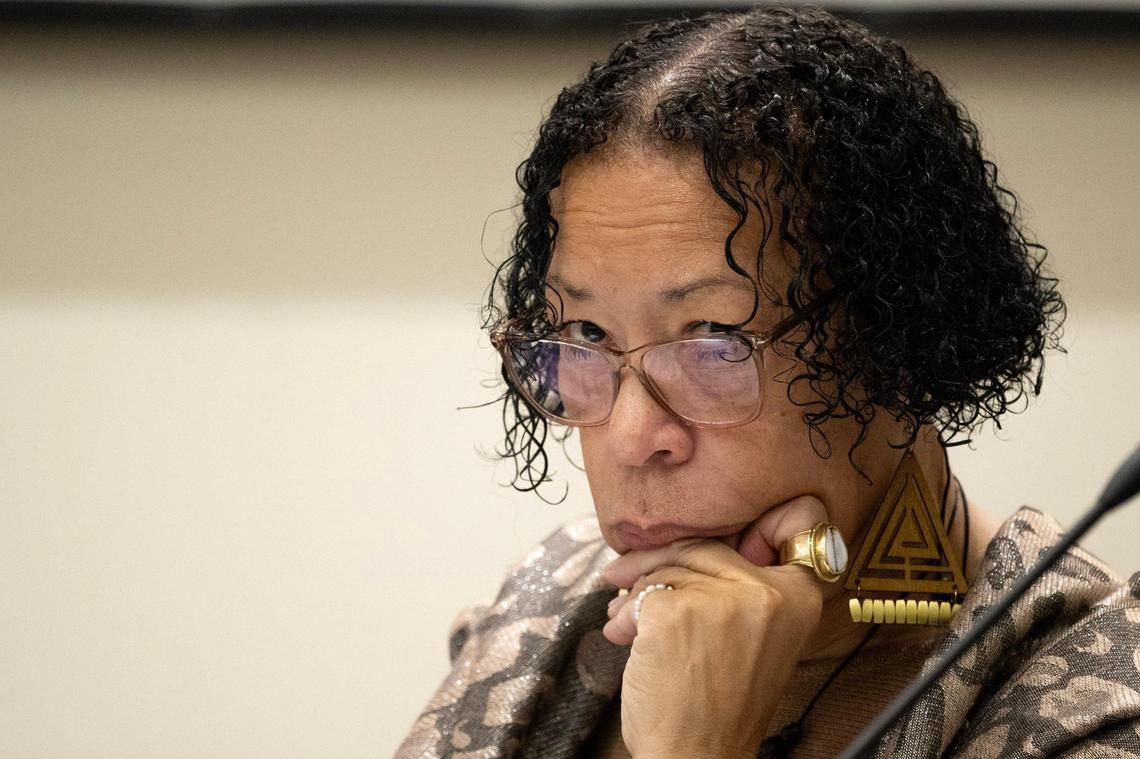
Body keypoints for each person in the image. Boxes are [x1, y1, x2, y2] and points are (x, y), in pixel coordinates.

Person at [397, 6, 1140, 758]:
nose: (627, 439)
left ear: (901, 345)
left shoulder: (1101, 705)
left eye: (713, 342)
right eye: (587, 335)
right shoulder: (542, 617)